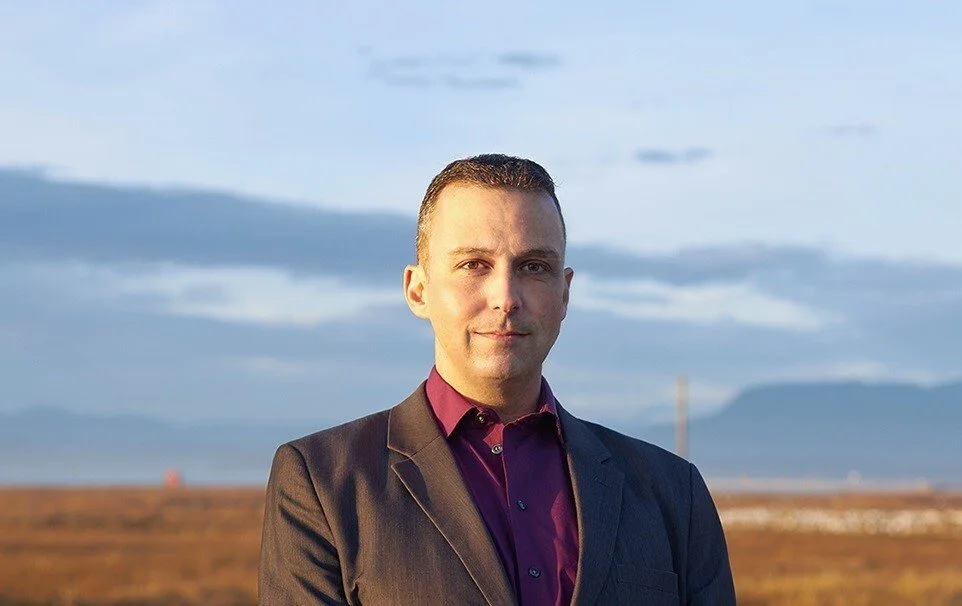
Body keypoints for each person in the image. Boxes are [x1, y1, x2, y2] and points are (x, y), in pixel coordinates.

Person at [259, 154, 736, 605]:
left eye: (534, 267)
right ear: (418, 289)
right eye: (474, 265)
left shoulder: (675, 495)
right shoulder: (324, 483)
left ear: (564, 294)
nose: (505, 297)